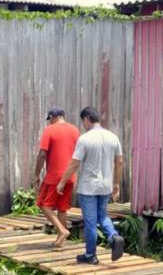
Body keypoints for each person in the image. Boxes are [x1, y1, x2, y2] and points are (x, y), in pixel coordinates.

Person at [56, 106, 124, 264]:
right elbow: (119, 161)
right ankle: (114, 237)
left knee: (91, 221)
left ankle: (90, 255)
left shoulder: (84, 139)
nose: (83, 124)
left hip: (88, 188)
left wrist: (62, 183)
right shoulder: (113, 137)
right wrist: (116, 183)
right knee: (102, 215)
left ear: (86, 119)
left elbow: (74, 164)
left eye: (83, 121)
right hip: (105, 185)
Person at [33, 106, 80, 247]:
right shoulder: (75, 130)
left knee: (43, 204)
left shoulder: (50, 130)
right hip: (70, 176)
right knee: (62, 208)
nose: (49, 122)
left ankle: (62, 230)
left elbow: (42, 154)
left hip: (54, 176)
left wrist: (36, 174)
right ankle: (61, 241)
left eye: (50, 119)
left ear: (53, 117)